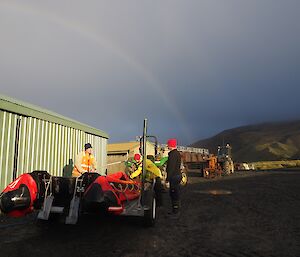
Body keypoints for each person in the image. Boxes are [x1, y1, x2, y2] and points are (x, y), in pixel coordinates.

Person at [166, 138, 182, 216]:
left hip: (174, 177)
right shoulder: (177, 153)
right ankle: (176, 210)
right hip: (177, 175)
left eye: (168, 145)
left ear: (170, 145)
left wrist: (167, 179)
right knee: (176, 193)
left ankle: (175, 212)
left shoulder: (172, 154)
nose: (167, 146)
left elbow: (171, 168)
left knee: (174, 193)